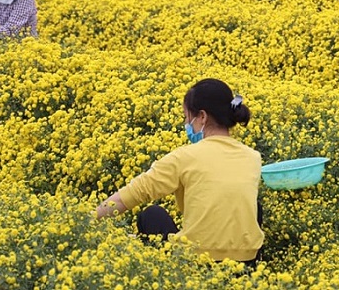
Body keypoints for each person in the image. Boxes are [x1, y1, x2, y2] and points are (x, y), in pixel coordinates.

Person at [96, 79, 264, 265]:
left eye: (187, 117)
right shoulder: (253, 157)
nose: (186, 124)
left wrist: (86, 220)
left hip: (197, 262)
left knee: (151, 215)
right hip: (247, 263)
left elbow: (129, 196)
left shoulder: (184, 157)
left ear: (202, 117)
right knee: (252, 206)